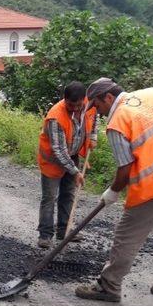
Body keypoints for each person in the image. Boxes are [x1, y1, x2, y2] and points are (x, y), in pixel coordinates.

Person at [75, 77, 153, 303]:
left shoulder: (117, 122)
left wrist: (113, 191)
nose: (98, 113)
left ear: (109, 97)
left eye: (98, 106)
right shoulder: (149, 95)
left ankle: (109, 286)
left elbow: (125, 168)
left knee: (126, 236)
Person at [36, 81, 98, 248]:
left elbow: (94, 118)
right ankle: (45, 235)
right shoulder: (56, 117)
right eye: (71, 105)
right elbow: (59, 150)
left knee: (68, 194)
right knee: (49, 197)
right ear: (65, 99)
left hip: (73, 155)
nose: (76, 109)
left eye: (79, 105)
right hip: (53, 160)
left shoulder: (88, 105)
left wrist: (93, 136)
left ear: (83, 100)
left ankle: (64, 231)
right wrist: (76, 172)